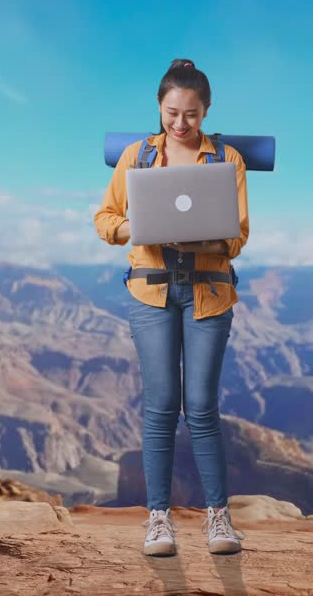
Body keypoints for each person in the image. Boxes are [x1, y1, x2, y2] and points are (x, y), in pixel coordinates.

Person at [94, 58, 250, 557]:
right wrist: (136, 229)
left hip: (207, 293)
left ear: (206, 112)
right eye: (171, 113)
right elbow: (104, 218)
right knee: (161, 407)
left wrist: (213, 239)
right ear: (159, 108)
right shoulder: (136, 158)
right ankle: (158, 521)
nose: (180, 124)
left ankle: (218, 520)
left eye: (191, 115)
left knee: (202, 407)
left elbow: (240, 232)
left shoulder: (226, 160)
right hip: (151, 293)